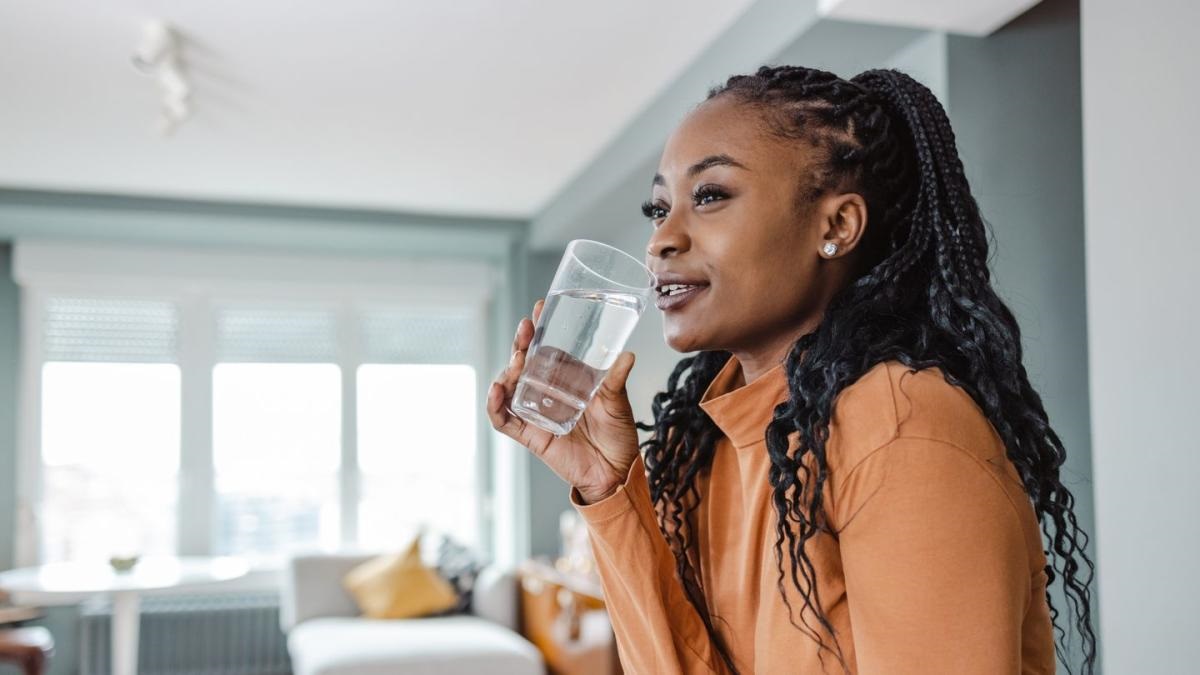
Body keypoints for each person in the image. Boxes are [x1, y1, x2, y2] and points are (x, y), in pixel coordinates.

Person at [486, 66, 1096, 674]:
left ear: (836, 226)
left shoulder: (901, 425)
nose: (661, 240)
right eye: (658, 207)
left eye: (710, 195)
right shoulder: (706, 445)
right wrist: (607, 487)